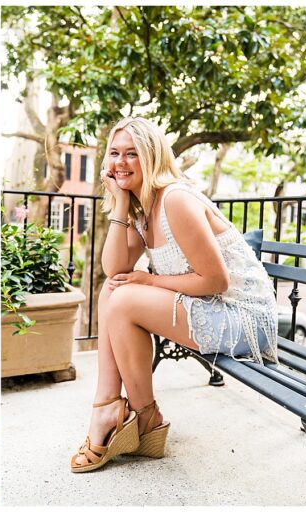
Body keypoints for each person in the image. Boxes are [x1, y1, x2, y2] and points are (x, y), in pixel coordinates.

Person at [70, 117, 277, 472]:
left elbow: (216, 280)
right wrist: (120, 203)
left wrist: (149, 282)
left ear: (152, 156)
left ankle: (138, 417)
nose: (120, 162)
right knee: (112, 291)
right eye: (115, 153)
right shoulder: (141, 207)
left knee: (123, 298)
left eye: (132, 154)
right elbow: (114, 269)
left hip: (242, 316)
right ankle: (113, 408)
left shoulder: (175, 200)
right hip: (209, 307)